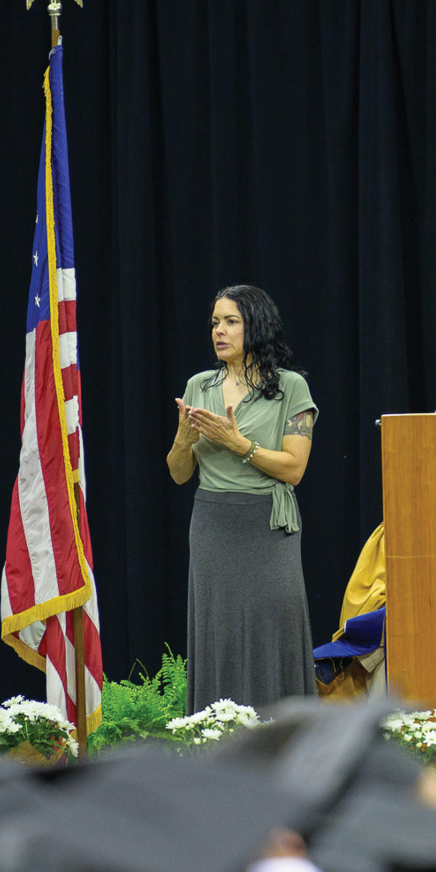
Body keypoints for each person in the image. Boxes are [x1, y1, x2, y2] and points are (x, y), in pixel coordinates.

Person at [169, 285, 319, 712]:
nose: (219, 331)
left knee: (272, 631)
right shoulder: (199, 386)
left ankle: (281, 741)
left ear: (257, 326)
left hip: (268, 526)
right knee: (219, 634)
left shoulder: (290, 387)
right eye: (215, 322)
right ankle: (219, 742)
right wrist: (182, 442)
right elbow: (180, 474)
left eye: (231, 321)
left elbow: (294, 468)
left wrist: (239, 444)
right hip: (214, 522)